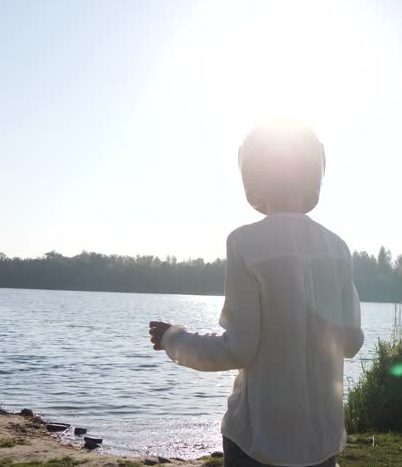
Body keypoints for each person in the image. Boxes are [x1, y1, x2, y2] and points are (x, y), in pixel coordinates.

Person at [148, 118, 364, 467]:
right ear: (315, 170)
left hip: (257, 443)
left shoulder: (245, 243)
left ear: (251, 172)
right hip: (321, 447)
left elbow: (237, 348)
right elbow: (351, 342)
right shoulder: (337, 249)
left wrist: (174, 339)